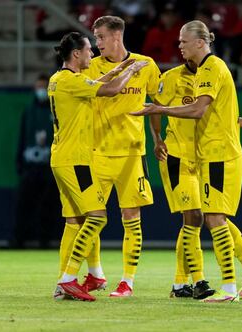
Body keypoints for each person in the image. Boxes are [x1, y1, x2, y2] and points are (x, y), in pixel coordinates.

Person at [132, 20, 242, 302]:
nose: (179, 46)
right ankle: (198, 280)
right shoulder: (176, 77)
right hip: (182, 156)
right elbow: (212, 114)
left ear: (199, 42)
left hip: (215, 154)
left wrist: (159, 108)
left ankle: (228, 286)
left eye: (183, 41)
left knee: (209, 218)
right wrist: (157, 137)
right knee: (199, 217)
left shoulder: (211, 68)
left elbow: (197, 111)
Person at [49, 31, 147, 301]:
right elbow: (112, 90)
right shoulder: (71, 82)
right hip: (76, 160)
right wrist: (132, 70)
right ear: (76, 54)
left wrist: (119, 67)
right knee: (98, 217)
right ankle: (69, 278)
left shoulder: (59, 80)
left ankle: (73, 280)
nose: (93, 54)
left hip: (60, 158)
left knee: (75, 220)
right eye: (89, 50)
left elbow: (93, 83)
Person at [79, 15, 161, 297]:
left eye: (100, 37)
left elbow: (156, 104)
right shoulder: (91, 67)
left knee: (131, 216)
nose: (96, 43)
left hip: (131, 154)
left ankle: (128, 281)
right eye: (95, 38)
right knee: (90, 216)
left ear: (116, 36)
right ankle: (95, 273)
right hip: (98, 152)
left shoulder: (147, 65)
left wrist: (157, 138)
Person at [13, 74, 61, 249]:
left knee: (47, 206)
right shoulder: (29, 111)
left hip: (49, 167)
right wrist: (19, 161)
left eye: (43, 87)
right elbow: (22, 137)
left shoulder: (56, 109)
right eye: (37, 87)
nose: (40, 91)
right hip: (30, 167)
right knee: (23, 204)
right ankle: (18, 240)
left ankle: (44, 241)